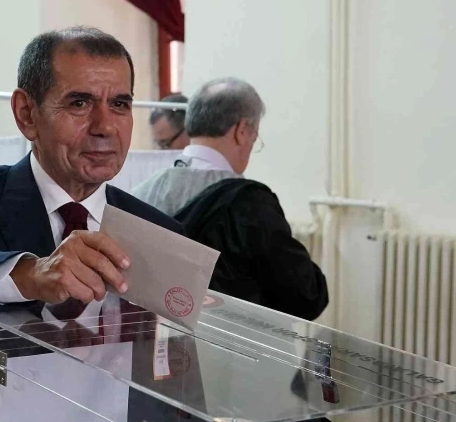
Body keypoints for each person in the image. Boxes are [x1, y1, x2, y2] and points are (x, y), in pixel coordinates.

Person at [0, 27, 182, 390]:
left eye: (119, 104)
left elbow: (174, 374)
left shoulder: (157, 231)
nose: (105, 127)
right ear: (26, 114)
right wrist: (28, 274)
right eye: (79, 103)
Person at [132, 77, 328, 320]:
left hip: (158, 338)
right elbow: (306, 297)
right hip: (229, 341)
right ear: (242, 131)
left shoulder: (141, 193)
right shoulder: (249, 204)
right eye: (255, 138)